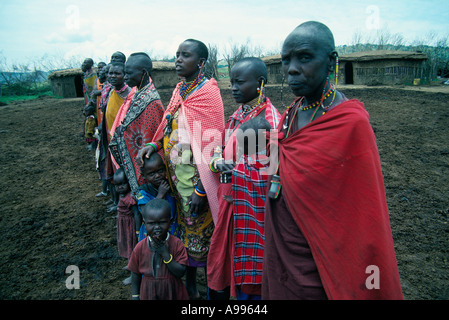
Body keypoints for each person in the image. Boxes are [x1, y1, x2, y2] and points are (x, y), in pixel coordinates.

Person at [262, 21, 403, 300]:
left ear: (331, 62)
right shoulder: (293, 112)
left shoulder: (350, 123)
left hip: (322, 259)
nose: (291, 68)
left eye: (304, 58)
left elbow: (362, 214)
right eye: (286, 60)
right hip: (284, 248)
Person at [137, 39, 225, 299]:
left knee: (206, 240)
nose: (178, 60)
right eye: (176, 54)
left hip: (198, 187)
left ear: (200, 63)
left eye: (185, 55)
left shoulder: (208, 93)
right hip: (178, 184)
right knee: (185, 234)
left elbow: (214, 143)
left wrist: (200, 190)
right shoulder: (180, 89)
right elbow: (168, 121)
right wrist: (154, 144)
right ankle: (190, 290)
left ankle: (213, 291)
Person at [206, 58, 280, 300]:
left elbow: (270, 171)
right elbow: (222, 149)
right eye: (231, 83)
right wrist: (217, 162)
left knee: (252, 270)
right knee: (227, 261)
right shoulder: (239, 113)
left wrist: (234, 168)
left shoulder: (269, 121)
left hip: (252, 211)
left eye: (239, 83)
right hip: (231, 202)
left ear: (260, 83)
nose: (233, 88)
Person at [108, 52, 165, 196]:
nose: (125, 76)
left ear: (143, 73)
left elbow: (153, 136)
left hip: (149, 167)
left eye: (128, 73)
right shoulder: (139, 93)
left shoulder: (151, 100)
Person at [127, 199, 189, 300]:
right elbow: (135, 273)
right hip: (149, 292)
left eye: (162, 222)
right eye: (151, 223)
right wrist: (135, 295)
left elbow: (180, 272)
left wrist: (165, 253)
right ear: (145, 223)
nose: (157, 227)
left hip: (172, 291)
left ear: (170, 221)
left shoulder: (177, 244)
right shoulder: (140, 247)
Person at [102, 62, 131, 213]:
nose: (112, 76)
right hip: (111, 140)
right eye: (110, 73)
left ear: (125, 76)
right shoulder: (112, 93)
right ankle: (116, 202)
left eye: (116, 74)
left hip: (123, 144)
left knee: (124, 177)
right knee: (114, 174)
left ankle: (125, 205)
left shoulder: (130, 95)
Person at [136, 152, 178, 241]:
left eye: (160, 171)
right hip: (154, 232)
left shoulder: (170, 185)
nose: (158, 175)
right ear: (144, 176)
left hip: (171, 229)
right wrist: (160, 194)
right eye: (152, 174)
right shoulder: (143, 192)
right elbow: (145, 213)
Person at [113, 167, 139, 285]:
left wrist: (138, 231)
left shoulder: (129, 198)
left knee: (131, 247)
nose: (120, 187)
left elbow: (137, 214)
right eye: (117, 185)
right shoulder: (122, 195)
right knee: (127, 245)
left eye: (123, 184)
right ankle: (130, 265)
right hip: (124, 226)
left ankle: (133, 274)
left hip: (130, 227)